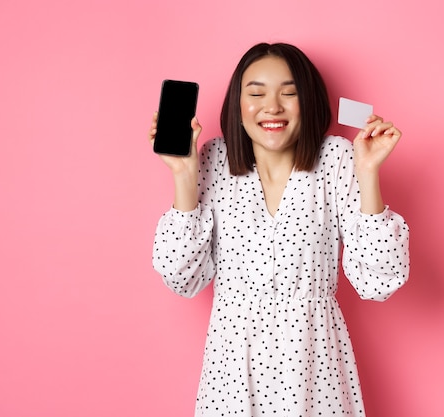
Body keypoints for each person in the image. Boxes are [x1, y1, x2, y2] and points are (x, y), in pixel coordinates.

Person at [149, 42, 410, 416]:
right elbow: (181, 278)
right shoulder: (211, 159)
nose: (272, 106)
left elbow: (379, 281)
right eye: (256, 93)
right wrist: (183, 175)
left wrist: (368, 173)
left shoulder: (337, 158)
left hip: (314, 365)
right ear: (237, 106)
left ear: (309, 102)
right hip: (232, 371)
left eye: (289, 93)